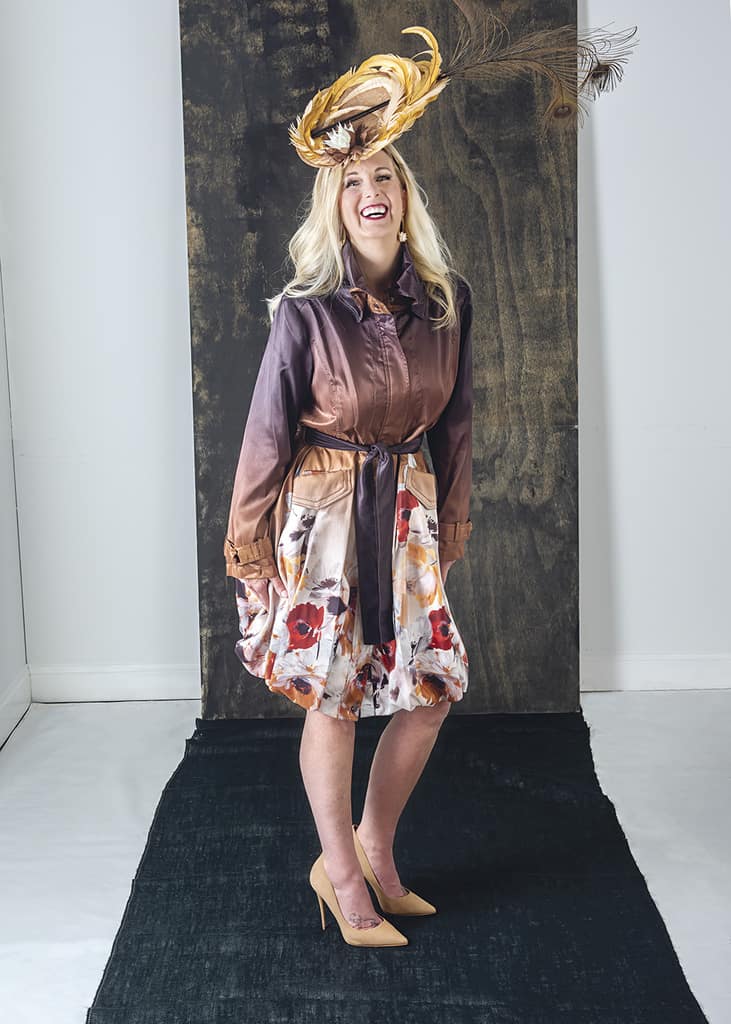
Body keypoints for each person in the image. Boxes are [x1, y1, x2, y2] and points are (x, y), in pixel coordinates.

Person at [222, 16, 635, 948]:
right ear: (332, 205)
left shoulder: (446, 304)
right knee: (332, 697)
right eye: (351, 182)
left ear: (405, 195)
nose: (369, 193)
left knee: (432, 689)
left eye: (384, 178)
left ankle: (374, 845)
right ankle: (340, 875)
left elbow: (457, 426)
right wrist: (248, 553)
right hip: (323, 518)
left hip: (406, 514)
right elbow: (264, 436)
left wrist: (448, 527)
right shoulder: (304, 313)